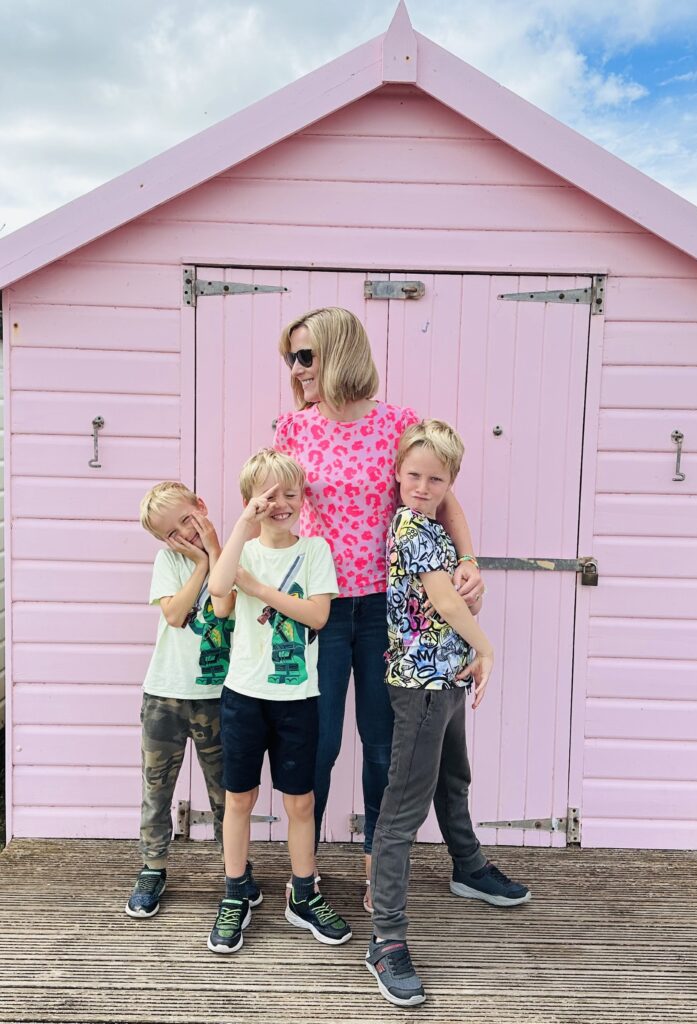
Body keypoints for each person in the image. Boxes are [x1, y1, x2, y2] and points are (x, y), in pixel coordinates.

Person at [273, 307, 486, 912]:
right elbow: (273, 506)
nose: (296, 367)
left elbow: (442, 502)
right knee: (316, 743)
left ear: (340, 352)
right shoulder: (294, 430)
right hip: (317, 608)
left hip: (388, 613)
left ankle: (376, 873)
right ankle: (304, 876)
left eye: (305, 355)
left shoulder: (398, 424)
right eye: (291, 356)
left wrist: (468, 561)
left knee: (381, 743)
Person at [365, 421, 531, 1008]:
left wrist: (468, 622)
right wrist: (485, 646)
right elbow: (440, 600)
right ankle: (386, 937)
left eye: (435, 478)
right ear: (397, 475)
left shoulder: (434, 525)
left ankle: (467, 865)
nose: (421, 485)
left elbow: (449, 595)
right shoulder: (412, 528)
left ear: (450, 482)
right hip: (421, 684)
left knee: (453, 777)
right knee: (401, 811)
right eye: (412, 475)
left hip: (446, 679)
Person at [206, 448, 351, 953]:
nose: (281, 503)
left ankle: (304, 894)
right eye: (268, 496)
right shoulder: (239, 551)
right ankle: (235, 892)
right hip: (244, 696)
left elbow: (317, 616)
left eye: (291, 493)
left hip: (297, 698)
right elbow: (221, 593)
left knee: (300, 801)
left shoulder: (313, 551)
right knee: (238, 799)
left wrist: (259, 588)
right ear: (250, 501)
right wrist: (241, 531)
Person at [126, 482, 236, 919]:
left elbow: (227, 604)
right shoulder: (169, 561)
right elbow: (174, 615)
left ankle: (235, 872)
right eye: (172, 533)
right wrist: (198, 563)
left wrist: (214, 555)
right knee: (157, 788)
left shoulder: (236, 555)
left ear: (201, 506)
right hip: (165, 695)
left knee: (227, 793)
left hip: (218, 696)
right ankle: (153, 868)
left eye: (188, 520)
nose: (185, 534)